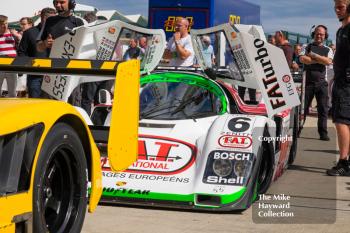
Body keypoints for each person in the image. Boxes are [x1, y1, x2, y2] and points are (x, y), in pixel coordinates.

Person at [37, 0, 84, 106]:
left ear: (72, 3)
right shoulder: (49, 21)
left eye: (62, 2)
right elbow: (39, 47)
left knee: (74, 108)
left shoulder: (78, 22)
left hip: (72, 74)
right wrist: (45, 44)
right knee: (49, 107)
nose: (58, 5)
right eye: (56, 2)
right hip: (52, 72)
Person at [327, 0, 350, 176]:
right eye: (335, 6)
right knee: (343, 120)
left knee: (341, 120)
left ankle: (343, 163)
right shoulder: (341, 30)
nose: (337, 10)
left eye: (340, 6)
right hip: (340, 80)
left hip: (346, 83)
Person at [299, 25, 333, 141]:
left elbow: (328, 62)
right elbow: (303, 60)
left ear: (325, 36)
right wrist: (320, 60)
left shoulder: (328, 49)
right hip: (307, 83)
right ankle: (297, 130)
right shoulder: (306, 46)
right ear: (314, 34)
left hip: (322, 83)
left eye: (322, 34)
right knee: (303, 109)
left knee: (323, 110)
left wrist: (313, 55)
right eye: (317, 33)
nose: (319, 36)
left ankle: (323, 133)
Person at [17, 8, 56, 98]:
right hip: (34, 75)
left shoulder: (57, 32)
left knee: (52, 105)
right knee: (35, 102)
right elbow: (22, 51)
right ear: (43, 18)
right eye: (52, 19)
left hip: (53, 75)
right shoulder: (29, 32)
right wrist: (25, 69)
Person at [81, 11, 113, 115]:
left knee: (87, 99)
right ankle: (99, 122)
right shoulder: (112, 33)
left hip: (94, 70)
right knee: (102, 99)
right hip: (108, 71)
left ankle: (87, 122)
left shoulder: (89, 33)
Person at [0, 15, 18, 97]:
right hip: (1, 65)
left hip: (12, 64)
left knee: (12, 92)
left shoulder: (13, 33)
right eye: (2, 24)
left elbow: (23, 44)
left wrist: (17, 35)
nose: (5, 25)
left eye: (6, 23)